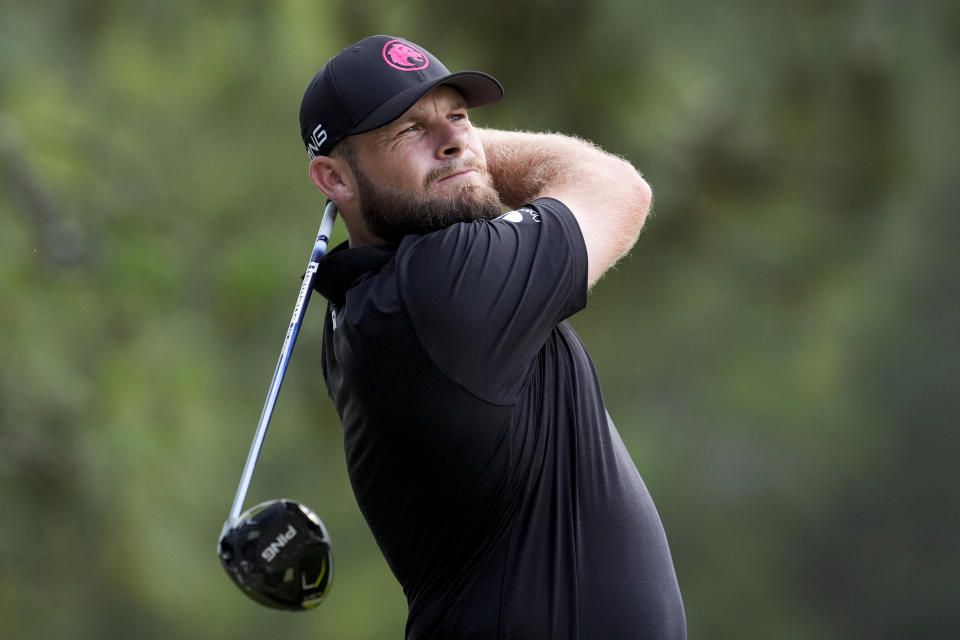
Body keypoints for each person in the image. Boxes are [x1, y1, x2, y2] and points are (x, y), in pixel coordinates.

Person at [299, 35, 686, 639]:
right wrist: (463, 155)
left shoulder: (362, 309)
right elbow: (618, 189)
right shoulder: (441, 285)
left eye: (458, 115)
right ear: (334, 180)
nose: (454, 136)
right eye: (407, 129)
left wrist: (445, 154)